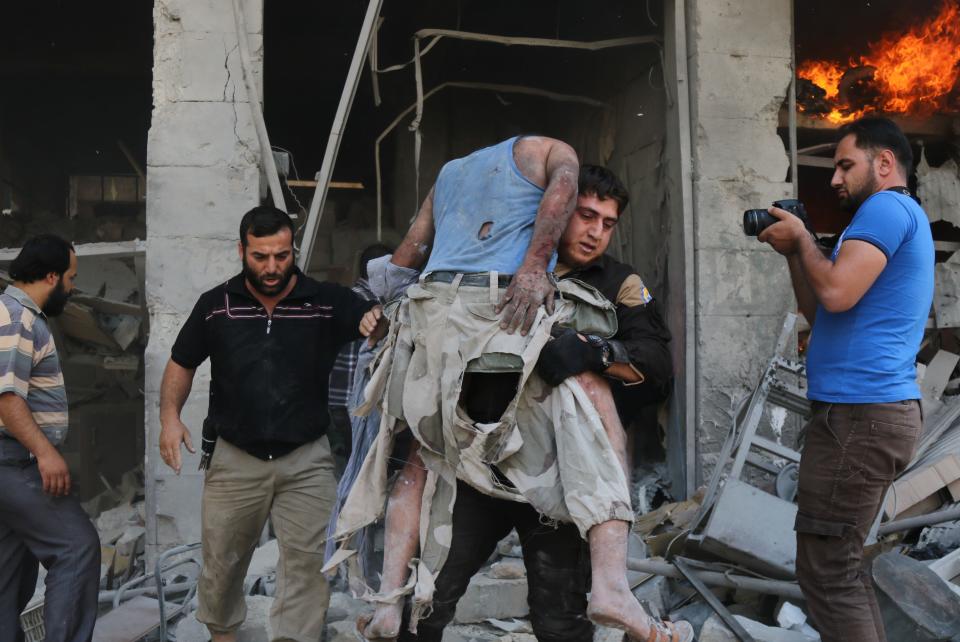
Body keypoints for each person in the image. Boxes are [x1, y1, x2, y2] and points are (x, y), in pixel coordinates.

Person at [331, 137, 692, 642]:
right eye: (585, 216)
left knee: (561, 620)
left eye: (607, 224)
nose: (594, 233)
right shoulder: (490, 269)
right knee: (427, 602)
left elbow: (655, 361)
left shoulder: (619, 282)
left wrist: (598, 355)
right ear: (556, 207)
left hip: (562, 480)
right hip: (476, 472)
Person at [158, 206, 382, 642]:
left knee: (307, 563)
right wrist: (170, 418)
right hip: (234, 458)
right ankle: (222, 634)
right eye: (261, 256)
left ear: (291, 249)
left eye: (281, 255)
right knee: (222, 561)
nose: (272, 267)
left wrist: (373, 316)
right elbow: (181, 362)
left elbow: (365, 316)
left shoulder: (323, 301)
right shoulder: (215, 306)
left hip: (307, 459)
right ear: (242, 250)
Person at [759, 115, 933, 642]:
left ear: (884, 164)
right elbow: (821, 309)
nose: (834, 179)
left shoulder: (885, 206)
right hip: (861, 416)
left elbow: (835, 292)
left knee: (829, 573)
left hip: (861, 418)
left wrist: (806, 239)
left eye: (844, 165)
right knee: (839, 570)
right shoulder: (886, 219)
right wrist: (798, 250)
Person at [0, 234, 100, 642]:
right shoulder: (16, 316)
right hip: (13, 460)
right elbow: (6, 397)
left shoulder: (16, 315)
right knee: (77, 547)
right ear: (52, 276)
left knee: (7, 575)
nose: (73, 288)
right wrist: (45, 453)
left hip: (10, 462)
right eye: (71, 278)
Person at [328, 243, 394, 478]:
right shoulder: (368, 306)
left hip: (338, 402)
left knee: (347, 470)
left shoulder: (350, 298)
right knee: (356, 474)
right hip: (351, 404)